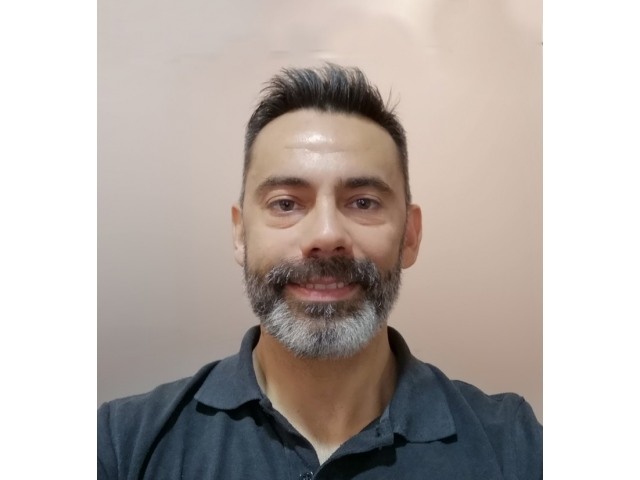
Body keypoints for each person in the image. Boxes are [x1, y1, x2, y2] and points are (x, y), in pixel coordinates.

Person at [98, 64, 542, 479]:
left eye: (363, 202)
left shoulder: (516, 446)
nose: (327, 235)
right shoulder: (121, 444)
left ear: (410, 235)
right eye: (285, 204)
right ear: (240, 234)